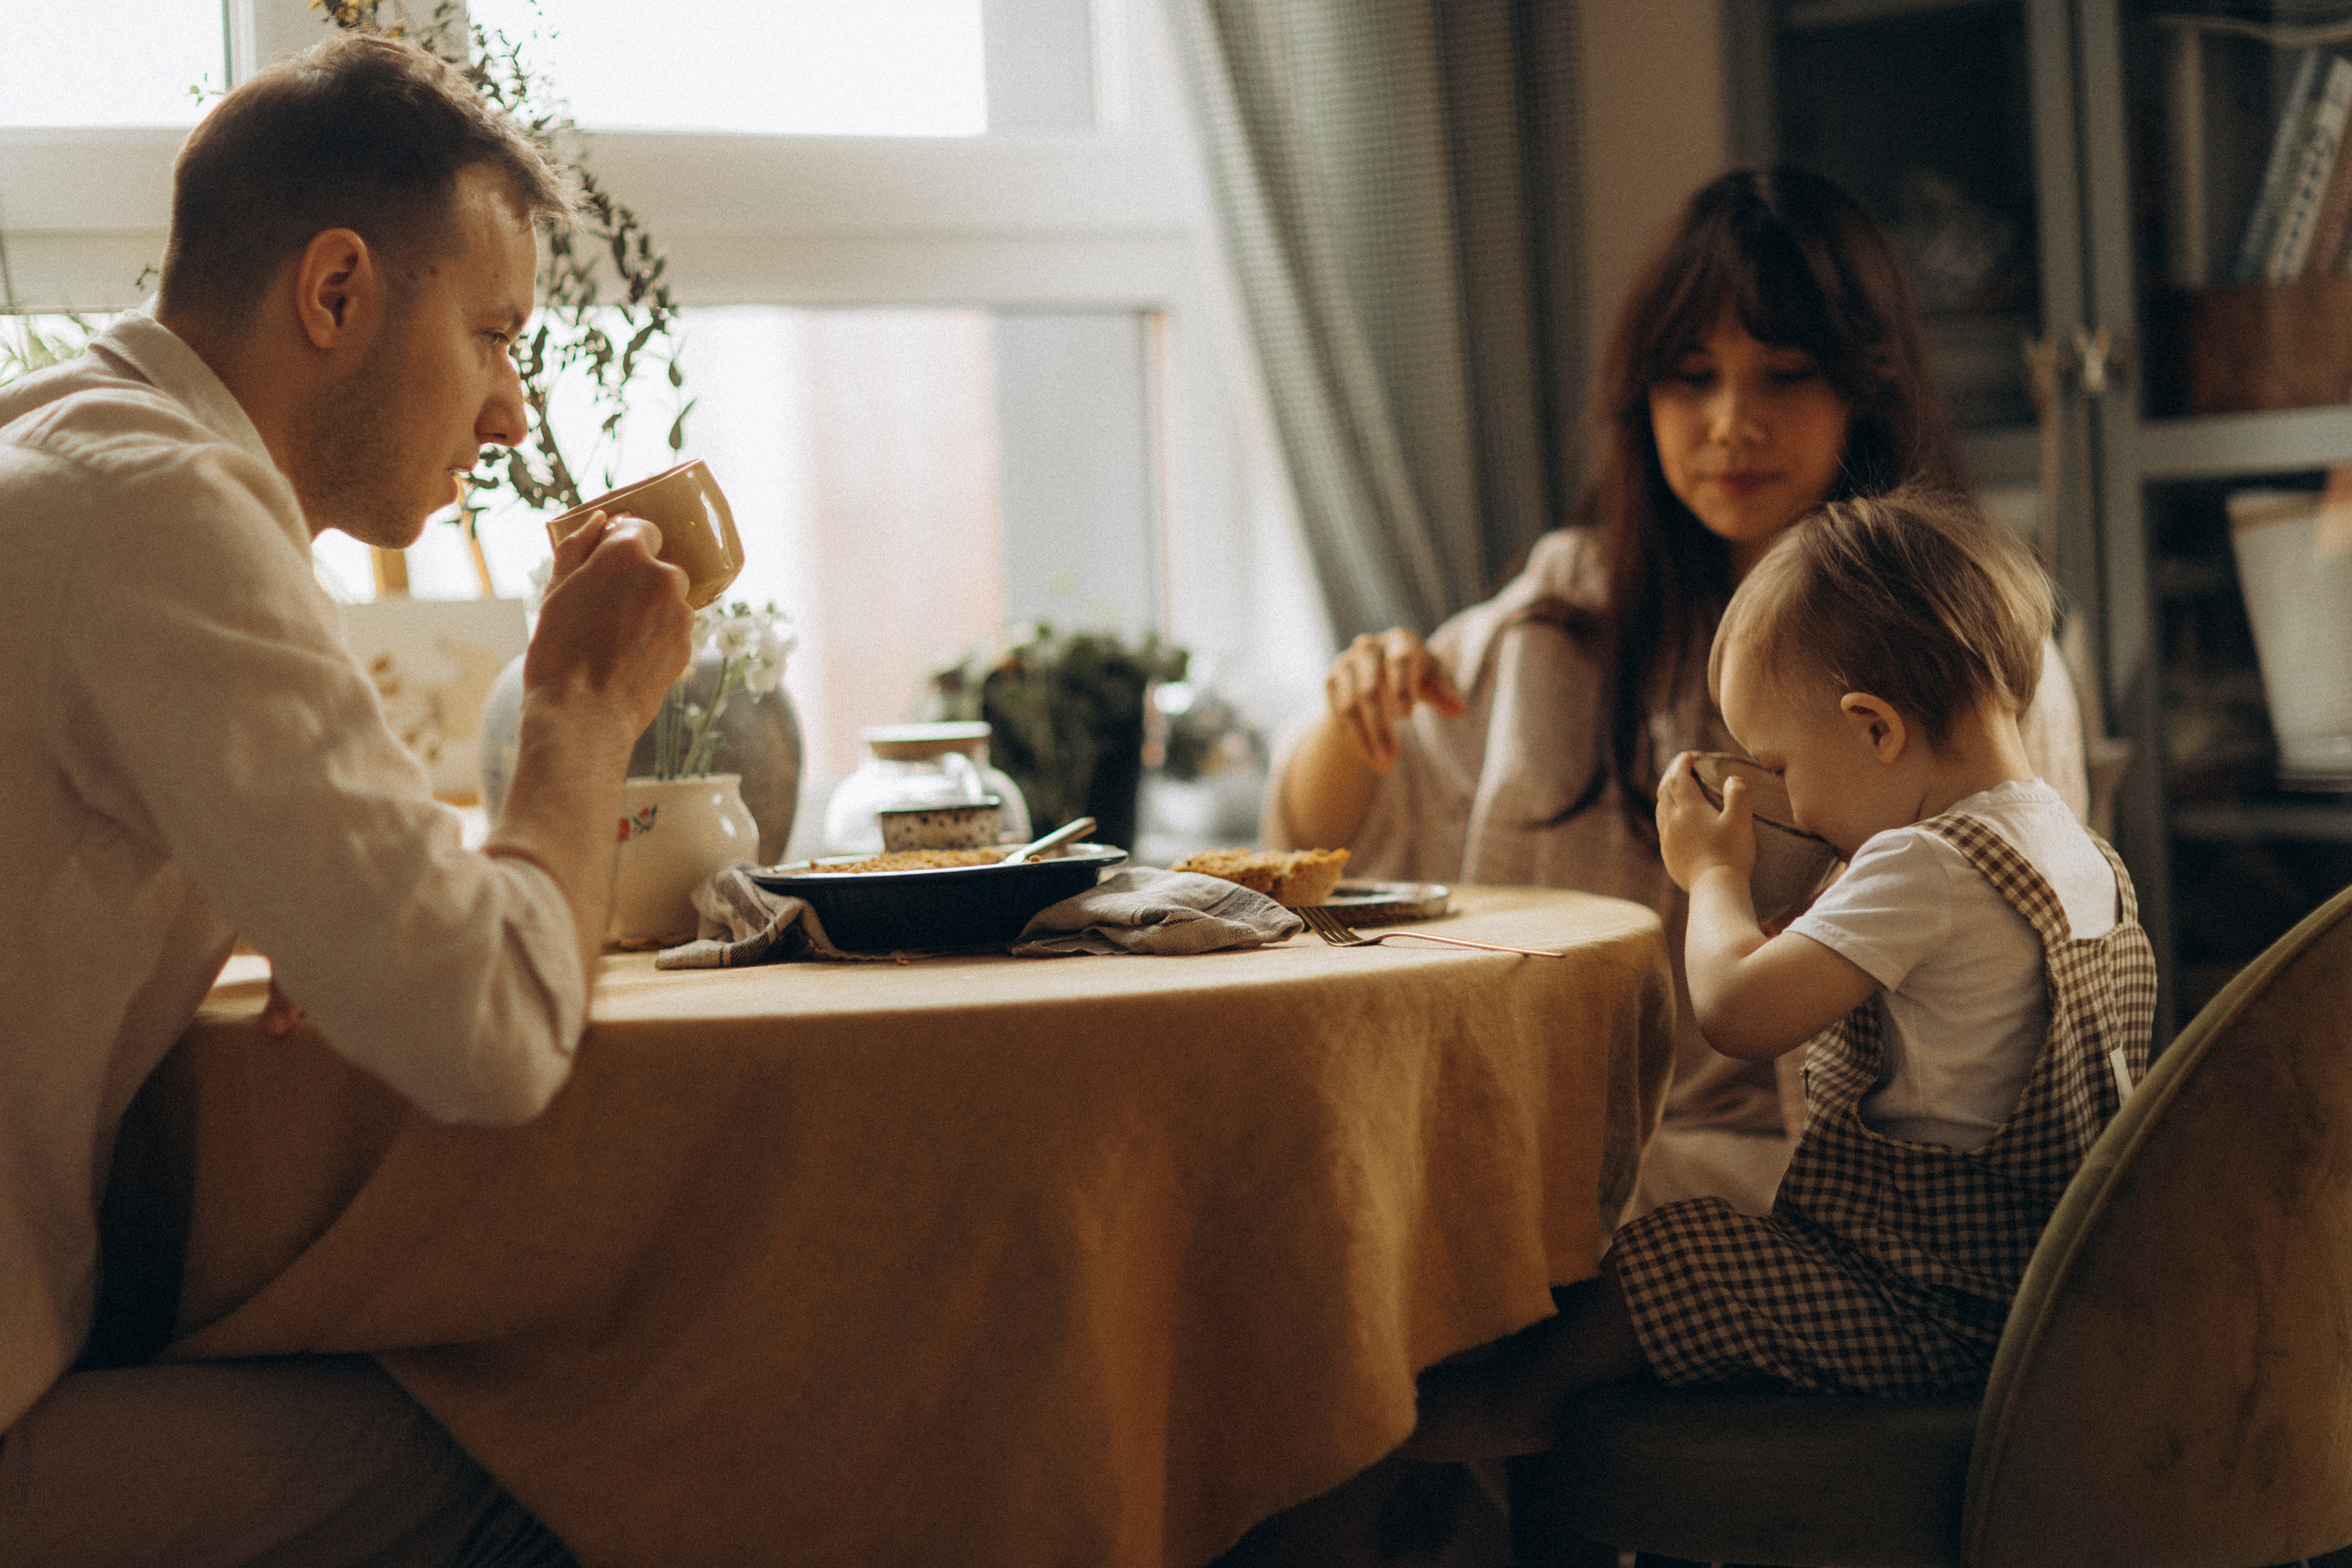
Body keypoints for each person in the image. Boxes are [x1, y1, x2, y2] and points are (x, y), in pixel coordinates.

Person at [0, 36, 693, 1566]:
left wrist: (303, 908)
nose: (512, 413)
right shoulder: (161, 511)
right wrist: (581, 707)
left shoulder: (63, 449)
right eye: (495, 335)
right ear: (334, 292)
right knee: (581, 1457)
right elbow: (495, 1030)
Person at [1266, 166, 2090, 1220]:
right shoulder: (1559, 613)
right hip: (1601, 1130)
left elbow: (2030, 977)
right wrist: (1353, 718)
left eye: (1785, 374)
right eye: (1691, 378)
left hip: (1865, 1183)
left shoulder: (1964, 657)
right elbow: (1314, 855)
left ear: (1865, 389)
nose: (1731, 422)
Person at [1407, 489, 2155, 1456]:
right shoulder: (2074, 852)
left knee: (1669, 1256)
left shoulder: (1925, 862)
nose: (1790, 806)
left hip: (1931, 1307)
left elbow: (1732, 1011)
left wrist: (1712, 877)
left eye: (1783, 767)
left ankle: (1506, 1411)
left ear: (1874, 728)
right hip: (2044, 1296)